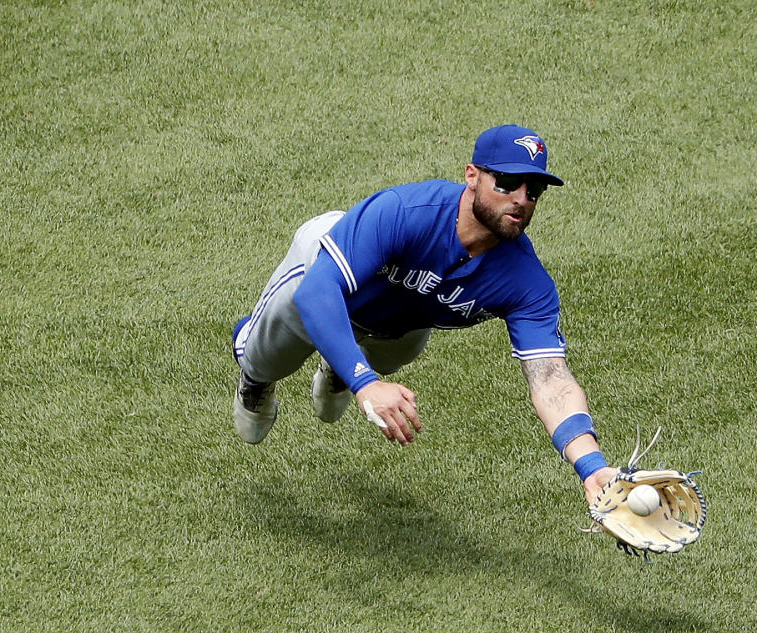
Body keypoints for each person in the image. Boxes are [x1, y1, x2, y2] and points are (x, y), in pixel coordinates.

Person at [231, 124, 615, 504]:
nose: (520, 198)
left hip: (400, 323)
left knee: (404, 346)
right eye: (506, 182)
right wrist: (366, 384)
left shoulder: (527, 282)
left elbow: (552, 381)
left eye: (533, 190)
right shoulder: (407, 212)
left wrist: (592, 466)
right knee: (261, 364)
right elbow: (318, 291)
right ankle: (258, 377)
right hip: (322, 274)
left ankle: (339, 365)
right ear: (471, 176)